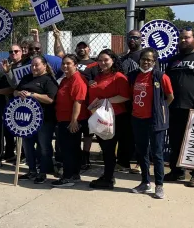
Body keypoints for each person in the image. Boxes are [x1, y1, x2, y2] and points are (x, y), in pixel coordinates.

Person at [128, 48, 173, 199]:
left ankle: (159, 185)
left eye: (149, 60)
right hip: (137, 119)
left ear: (154, 61)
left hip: (155, 121)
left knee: (157, 153)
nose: (146, 62)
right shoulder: (133, 76)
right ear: (139, 60)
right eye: (143, 59)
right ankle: (145, 182)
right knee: (141, 152)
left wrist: (160, 109)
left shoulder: (161, 76)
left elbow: (170, 97)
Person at [87, 49, 131, 190]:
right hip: (100, 117)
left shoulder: (119, 77)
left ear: (113, 60)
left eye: (106, 60)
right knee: (106, 149)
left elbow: (125, 96)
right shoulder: (99, 76)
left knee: (109, 149)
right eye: (100, 60)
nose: (103, 63)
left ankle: (108, 179)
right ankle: (108, 176)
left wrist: (106, 101)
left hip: (115, 118)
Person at [165, 28, 194, 187]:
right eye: (181, 38)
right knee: (175, 140)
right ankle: (177, 171)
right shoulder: (174, 59)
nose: (183, 41)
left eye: (186, 38)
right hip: (175, 107)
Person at [16, 56, 58, 184]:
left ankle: (43, 172)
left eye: (37, 65)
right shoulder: (27, 77)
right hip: (28, 119)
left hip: (44, 119)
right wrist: (19, 93)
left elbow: (51, 99)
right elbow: (15, 91)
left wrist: (33, 95)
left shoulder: (49, 80)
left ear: (44, 65)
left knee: (44, 147)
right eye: (32, 65)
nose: (33, 68)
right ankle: (32, 171)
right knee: (27, 146)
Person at [52, 54, 88, 187]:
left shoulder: (77, 80)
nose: (65, 66)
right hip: (63, 120)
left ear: (75, 65)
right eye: (63, 64)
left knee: (68, 150)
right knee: (71, 149)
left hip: (71, 121)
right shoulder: (65, 80)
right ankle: (74, 174)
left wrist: (74, 121)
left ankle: (68, 177)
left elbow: (78, 102)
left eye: (68, 63)